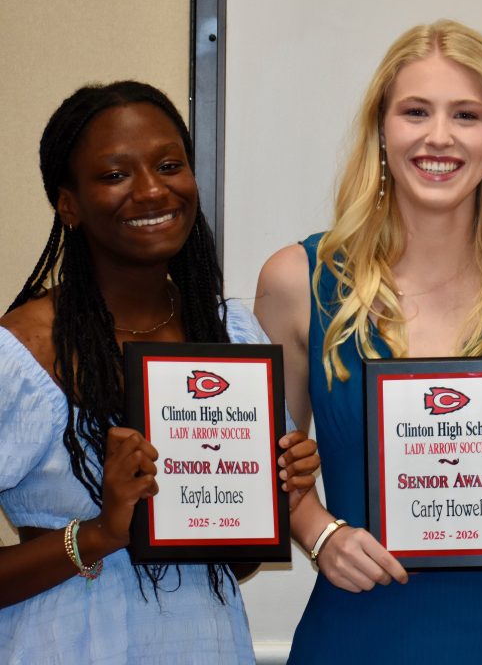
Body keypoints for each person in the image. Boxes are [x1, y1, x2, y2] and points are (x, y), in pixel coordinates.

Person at [254, 19, 482, 663]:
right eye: (416, 112)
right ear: (381, 131)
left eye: (466, 115)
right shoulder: (296, 280)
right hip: (354, 631)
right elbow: (264, 461)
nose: (439, 136)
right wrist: (319, 533)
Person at [0, 81, 320, 663]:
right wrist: (100, 533)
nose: (151, 190)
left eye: (169, 165)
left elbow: (238, 558)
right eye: (116, 175)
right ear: (67, 203)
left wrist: (274, 490)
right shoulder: (23, 350)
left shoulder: (233, 334)